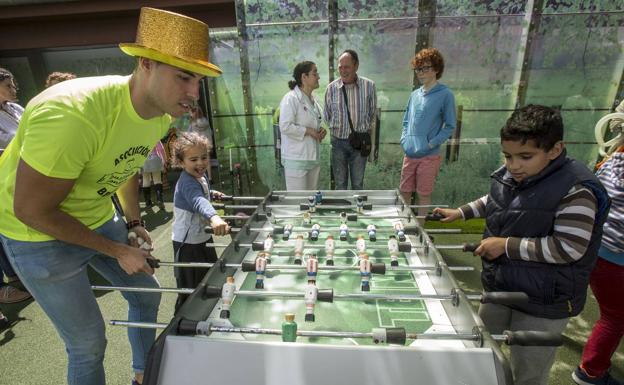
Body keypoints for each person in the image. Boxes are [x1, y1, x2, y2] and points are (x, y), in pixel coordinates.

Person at [0, 7, 222, 385]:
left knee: (147, 296)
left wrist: (133, 222)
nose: (192, 93)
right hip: (35, 236)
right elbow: (32, 210)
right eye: (184, 77)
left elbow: (125, 167)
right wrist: (118, 250)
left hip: (98, 216)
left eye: (198, 80)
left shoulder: (160, 114)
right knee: (88, 344)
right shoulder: (72, 114)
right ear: (146, 65)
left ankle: (141, 373)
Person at [433, 105, 610, 385]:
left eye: (525, 157)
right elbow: (497, 200)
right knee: (481, 350)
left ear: (555, 149)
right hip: (501, 286)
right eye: (508, 155)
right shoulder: (513, 172)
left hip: (544, 302)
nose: (513, 165)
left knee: (528, 372)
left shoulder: (576, 190)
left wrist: (506, 245)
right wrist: (461, 212)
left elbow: (569, 249)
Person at [572, 112, 624, 385]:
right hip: (615, 258)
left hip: (596, 249)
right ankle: (591, 371)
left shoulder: (613, 159)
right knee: (615, 317)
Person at [171, 131, 229, 313]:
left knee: (209, 276)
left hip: (202, 237)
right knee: (189, 288)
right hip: (187, 244)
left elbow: (203, 193)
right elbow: (197, 200)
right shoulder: (186, 182)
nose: (200, 163)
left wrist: (212, 193)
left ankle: (206, 312)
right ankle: (181, 321)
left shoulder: (200, 177)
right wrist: (214, 217)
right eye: (193, 159)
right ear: (181, 162)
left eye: (204, 157)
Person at [399, 48, 456, 218]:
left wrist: (431, 143)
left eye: (426, 68)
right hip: (409, 154)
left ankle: (421, 229)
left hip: (429, 156)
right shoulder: (415, 94)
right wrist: (404, 139)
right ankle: (405, 225)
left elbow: (450, 125)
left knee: (424, 194)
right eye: (418, 69)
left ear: (436, 69)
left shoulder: (445, 94)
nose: (421, 73)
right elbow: (406, 121)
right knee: (404, 191)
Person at [0, 67, 32, 306]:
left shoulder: (16, 109)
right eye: (8, 86)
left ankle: (16, 272)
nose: (14, 89)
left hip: (20, 177)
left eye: (13, 84)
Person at [324, 49, 377, 190]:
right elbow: (326, 115)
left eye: (346, 66)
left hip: (359, 143)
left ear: (356, 66)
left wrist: (361, 129)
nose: (343, 70)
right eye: (340, 67)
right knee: (340, 184)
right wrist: (337, 129)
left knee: (357, 184)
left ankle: (356, 211)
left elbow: (372, 113)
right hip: (338, 144)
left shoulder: (369, 86)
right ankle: (342, 211)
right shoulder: (331, 89)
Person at [278, 61, 326, 190]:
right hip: (296, 161)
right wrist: (309, 131)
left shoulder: (312, 100)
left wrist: (319, 131)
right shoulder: (291, 99)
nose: (318, 77)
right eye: (315, 73)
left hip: (312, 159)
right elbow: (285, 126)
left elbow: (314, 122)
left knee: (311, 203)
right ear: (304, 77)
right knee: (297, 203)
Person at [141, 141, 167, 209]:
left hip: (143, 160)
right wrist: (164, 161)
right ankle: (159, 199)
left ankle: (148, 202)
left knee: (145, 180)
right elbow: (161, 149)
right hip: (155, 159)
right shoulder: (155, 135)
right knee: (157, 180)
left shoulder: (139, 137)